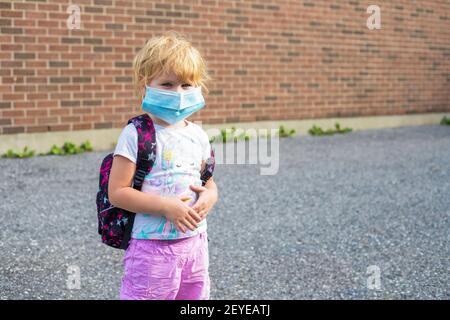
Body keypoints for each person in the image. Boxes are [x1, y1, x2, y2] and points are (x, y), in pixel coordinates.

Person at [108, 31, 218, 300]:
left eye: (186, 85)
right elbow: (118, 192)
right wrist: (165, 206)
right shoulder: (136, 134)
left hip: (195, 244)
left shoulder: (198, 135)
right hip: (151, 248)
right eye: (167, 84)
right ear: (145, 84)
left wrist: (211, 197)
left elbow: (209, 182)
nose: (178, 93)